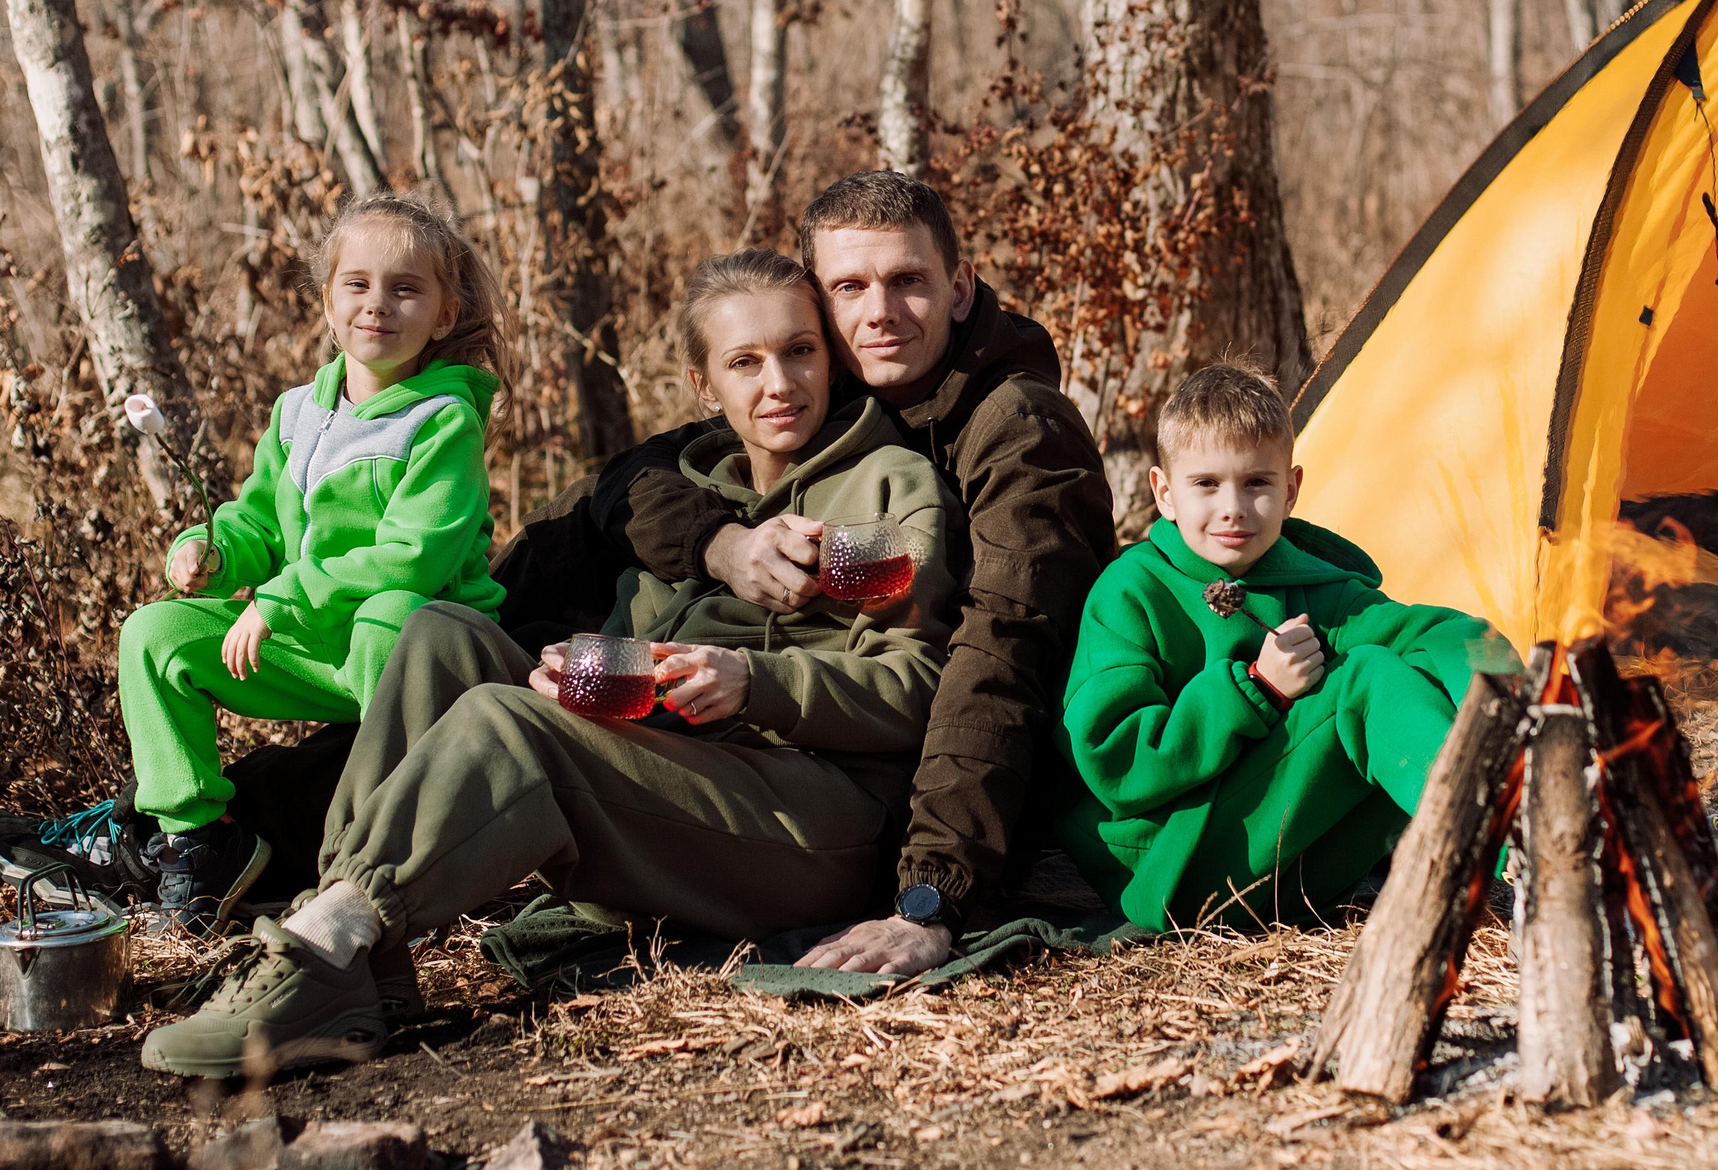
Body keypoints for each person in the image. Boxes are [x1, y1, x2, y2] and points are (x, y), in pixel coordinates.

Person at [138, 249, 963, 1076]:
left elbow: (921, 685)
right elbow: (674, 674)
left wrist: (764, 683)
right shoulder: (696, 494)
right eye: (745, 362)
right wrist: (602, 668)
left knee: (509, 724)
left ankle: (328, 946)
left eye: (800, 351)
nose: (778, 383)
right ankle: (360, 959)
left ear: (831, 354)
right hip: (694, 775)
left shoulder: (886, 491)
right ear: (703, 387)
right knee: (439, 636)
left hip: (810, 820)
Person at [603, 172, 1118, 976]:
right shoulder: (824, 385)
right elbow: (625, 483)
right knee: (460, 639)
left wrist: (932, 898)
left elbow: (1001, 658)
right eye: (849, 286)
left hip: (972, 795)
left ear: (959, 287)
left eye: (907, 280)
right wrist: (720, 544)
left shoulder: (1017, 429)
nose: (878, 312)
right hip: (793, 754)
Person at [0, 195, 507, 934]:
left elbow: (412, 556)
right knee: (155, 635)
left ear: (444, 315)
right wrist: (214, 556)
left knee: (391, 614)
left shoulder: (444, 420)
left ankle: (389, 856)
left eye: (405, 289)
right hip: (316, 645)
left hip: (417, 651)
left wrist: (279, 603)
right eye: (356, 284)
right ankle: (197, 844)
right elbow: (260, 521)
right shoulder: (297, 414)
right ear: (326, 301)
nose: (377, 305)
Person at [1053, 363, 1500, 931]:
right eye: (1206, 484)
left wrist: (1520, 681)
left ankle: (1531, 825)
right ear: (1164, 494)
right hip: (1175, 869)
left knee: (1421, 667)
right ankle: (1510, 846)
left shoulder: (1310, 585)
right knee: (1362, 681)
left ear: (1291, 490)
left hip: (1293, 866)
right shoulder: (1130, 591)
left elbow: (1425, 632)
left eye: (1257, 483)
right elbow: (1115, 761)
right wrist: (1255, 689)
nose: (1233, 507)